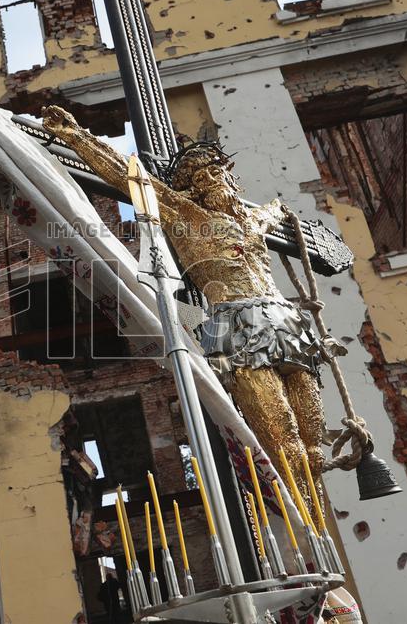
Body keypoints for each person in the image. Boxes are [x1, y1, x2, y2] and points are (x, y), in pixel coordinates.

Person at [43, 106, 326, 509]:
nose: (214, 180)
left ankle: (315, 514)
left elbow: (276, 211)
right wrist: (75, 137)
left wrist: (282, 210)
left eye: (218, 171)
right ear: (189, 188)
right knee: (285, 441)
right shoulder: (183, 214)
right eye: (202, 176)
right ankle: (302, 520)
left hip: (287, 324)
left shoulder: (254, 218)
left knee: (314, 443)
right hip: (235, 326)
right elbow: (128, 178)